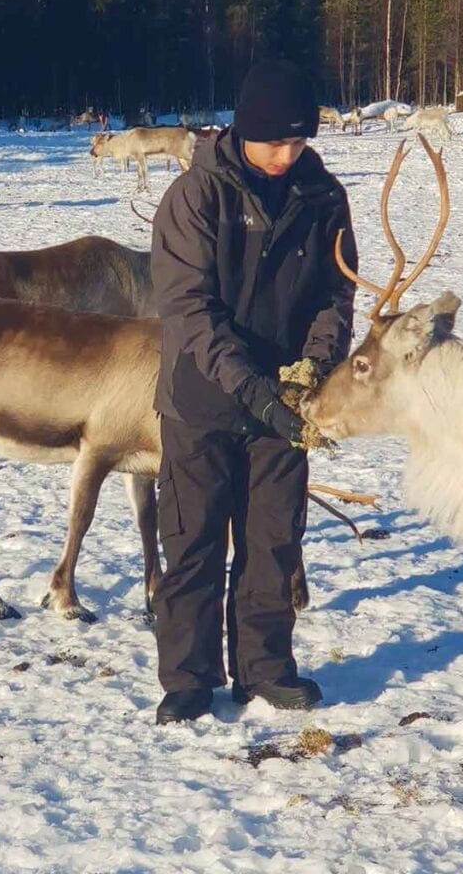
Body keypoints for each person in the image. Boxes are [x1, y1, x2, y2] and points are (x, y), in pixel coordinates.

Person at [150, 59, 358, 725]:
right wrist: (254, 390)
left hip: (285, 404)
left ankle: (265, 669)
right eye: (276, 142)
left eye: (299, 142)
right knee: (192, 542)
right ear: (244, 132)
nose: (287, 155)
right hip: (202, 400)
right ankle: (187, 678)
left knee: (273, 542)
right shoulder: (196, 197)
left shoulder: (323, 197)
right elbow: (190, 314)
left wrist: (314, 366)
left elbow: (337, 294)